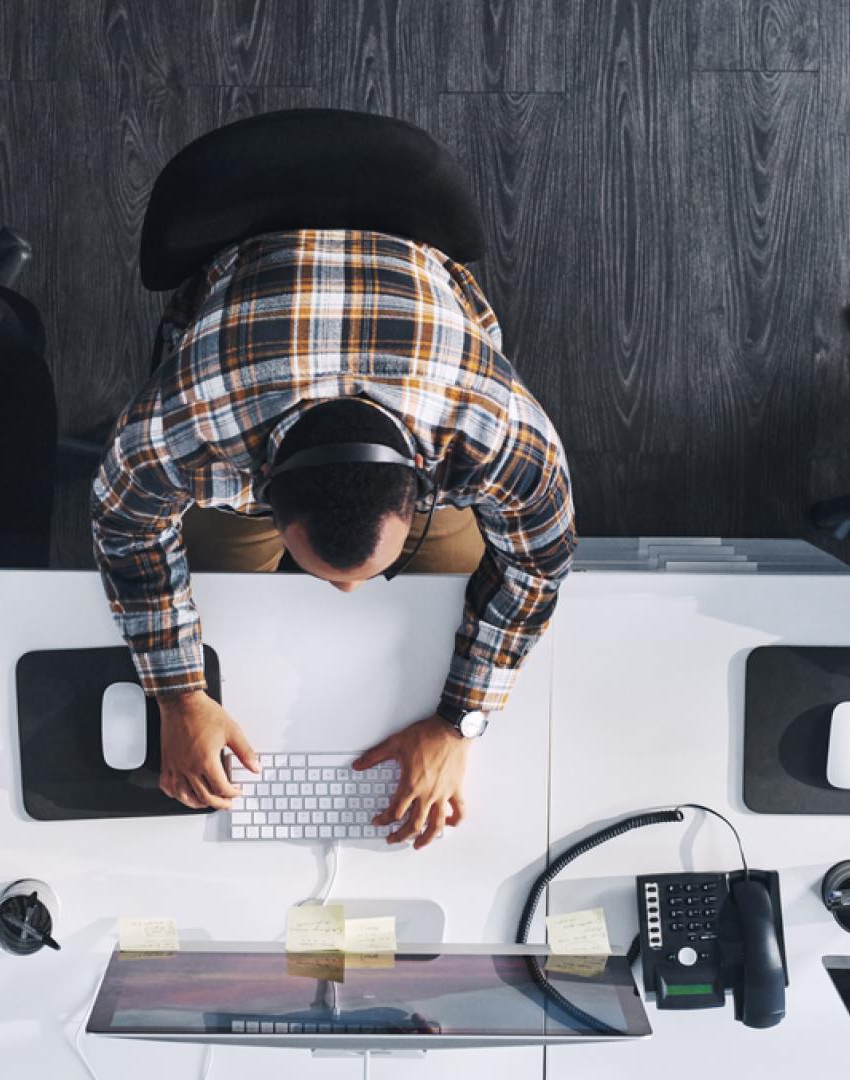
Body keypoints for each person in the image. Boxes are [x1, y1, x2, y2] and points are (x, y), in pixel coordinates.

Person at [92, 228, 576, 850]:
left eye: (371, 567)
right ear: (259, 490)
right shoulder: (188, 426)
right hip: (245, 331)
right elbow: (125, 527)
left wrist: (459, 724)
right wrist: (180, 696)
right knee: (220, 594)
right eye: (323, 570)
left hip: (424, 327)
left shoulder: (496, 431)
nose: (348, 589)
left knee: (453, 591)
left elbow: (538, 567)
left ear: (422, 492)